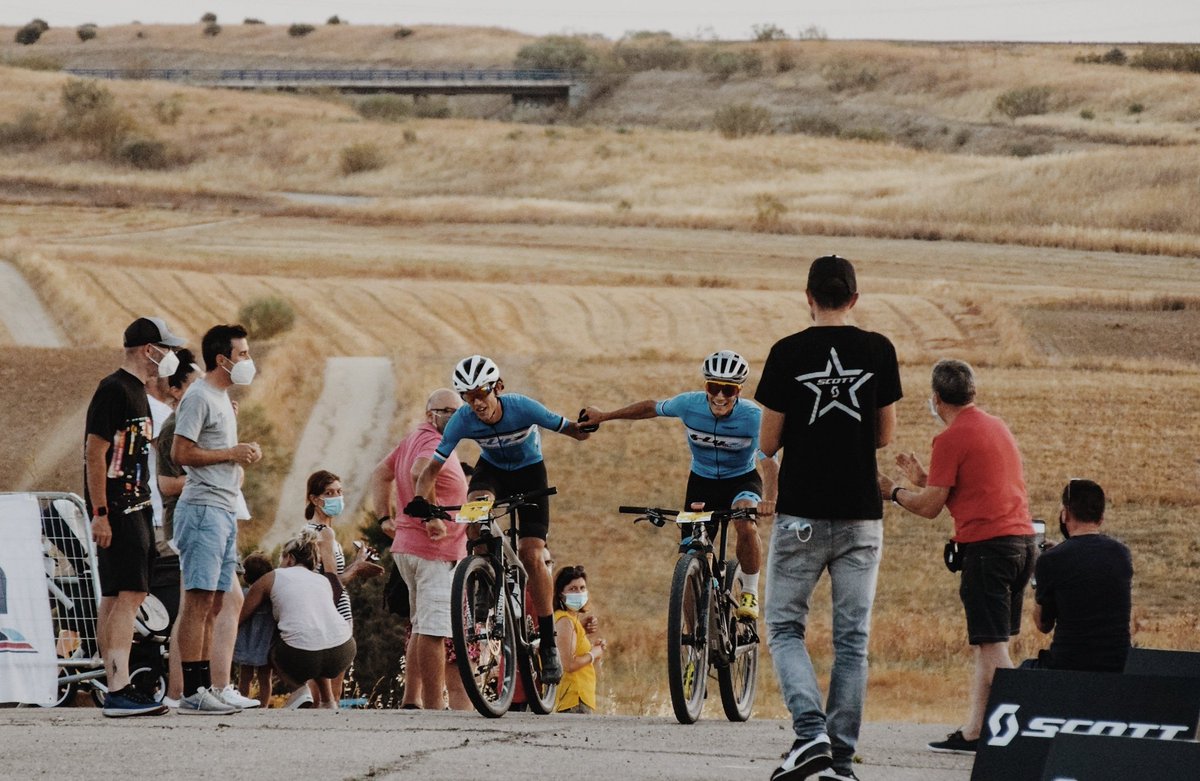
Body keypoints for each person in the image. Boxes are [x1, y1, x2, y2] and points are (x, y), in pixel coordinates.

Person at [756, 256, 901, 781]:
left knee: (784, 626)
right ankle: (839, 760)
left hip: (802, 513)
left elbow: (768, 442)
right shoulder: (880, 350)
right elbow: (884, 436)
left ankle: (809, 733)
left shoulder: (786, 352)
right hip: (862, 513)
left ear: (808, 296)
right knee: (852, 639)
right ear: (855, 299)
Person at [878, 358, 1035, 756]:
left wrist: (893, 492)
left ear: (936, 398)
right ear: (972, 392)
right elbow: (968, 485)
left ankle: (1030, 726)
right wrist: (922, 479)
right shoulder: (995, 425)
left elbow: (931, 508)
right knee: (990, 643)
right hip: (1021, 544)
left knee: (995, 651)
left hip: (987, 550)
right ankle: (975, 731)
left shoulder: (950, 439)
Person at [408, 355, 592, 685]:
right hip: (492, 472)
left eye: (482, 393)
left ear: (498, 388)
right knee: (475, 509)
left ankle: (547, 643)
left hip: (530, 474)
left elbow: (572, 430)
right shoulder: (461, 420)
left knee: (532, 554)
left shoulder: (523, 408)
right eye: (468, 396)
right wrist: (422, 501)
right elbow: (430, 470)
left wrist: (586, 427)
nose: (476, 403)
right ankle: (482, 572)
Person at [580, 350, 778, 620]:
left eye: (728, 390)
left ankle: (750, 591)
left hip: (740, 480)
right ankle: (690, 643)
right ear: (705, 386)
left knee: (745, 519)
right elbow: (651, 408)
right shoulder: (689, 404)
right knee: (690, 554)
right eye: (713, 387)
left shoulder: (753, 417)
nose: (720, 396)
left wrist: (769, 499)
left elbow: (768, 461)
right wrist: (604, 416)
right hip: (702, 482)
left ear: (739, 391)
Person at [85, 316, 184, 717]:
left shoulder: (139, 393)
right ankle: (119, 687)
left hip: (138, 505)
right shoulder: (114, 390)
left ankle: (115, 682)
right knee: (128, 594)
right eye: (169, 349)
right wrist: (101, 513)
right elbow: (95, 453)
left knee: (119, 594)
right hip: (119, 507)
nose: (172, 357)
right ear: (150, 350)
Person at [171, 323, 263, 714]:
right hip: (203, 508)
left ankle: (208, 684)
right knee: (197, 600)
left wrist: (239, 453)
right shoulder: (200, 397)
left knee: (214, 603)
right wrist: (231, 454)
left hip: (223, 509)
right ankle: (192, 690)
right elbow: (181, 452)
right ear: (222, 359)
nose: (248, 361)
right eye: (242, 354)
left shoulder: (223, 398)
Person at [371, 389, 471, 710]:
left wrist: (385, 518)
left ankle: (412, 701)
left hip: (409, 546)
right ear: (432, 415)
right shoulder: (431, 441)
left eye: (461, 411)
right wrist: (432, 516)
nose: (459, 417)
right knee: (433, 630)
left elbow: (380, 474)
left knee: (420, 624)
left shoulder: (413, 437)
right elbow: (419, 473)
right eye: (451, 411)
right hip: (433, 550)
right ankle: (433, 707)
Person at [238, 533, 355, 709]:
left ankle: (301, 691)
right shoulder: (322, 580)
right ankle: (328, 700)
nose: (279, 564)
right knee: (315, 636)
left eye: (281, 558)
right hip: (344, 650)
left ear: (290, 558)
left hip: (303, 655)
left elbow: (240, 616)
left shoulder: (272, 577)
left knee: (271, 642)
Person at [1030, 479, 1132, 672]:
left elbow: (1043, 625)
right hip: (1118, 667)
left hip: (1067, 668)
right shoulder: (1122, 553)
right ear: (1101, 517)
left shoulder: (1051, 560)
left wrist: (1039, 578)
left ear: (1065, 514)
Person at [300, 469, 383, 702]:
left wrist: (357, 561)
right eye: (329, 493)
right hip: (333, 615)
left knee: (319, 687)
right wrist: (357, 569)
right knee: (331, 693)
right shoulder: (324, 533)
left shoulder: (311, 531)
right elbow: (332, 584)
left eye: (339, 491)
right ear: (315, 499)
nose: (336, 497)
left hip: (318, 614)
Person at [552, 565, 606, 714]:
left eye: (582, 588)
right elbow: (568, 664)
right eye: (573, 589)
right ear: (561, 593)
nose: (579, 593)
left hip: (580, 697)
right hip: (573, 698)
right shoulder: (564, 621)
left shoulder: (571, 621)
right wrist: (594, 653)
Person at [233, 552, 276, 704]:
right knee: (265, 678)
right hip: (265, 643)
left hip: (245, 644)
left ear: (245, 576)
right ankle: (263, 706)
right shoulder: (270, 598)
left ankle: (244, 702)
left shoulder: (243, 595)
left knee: (245, 678)